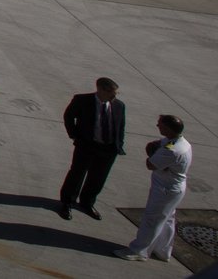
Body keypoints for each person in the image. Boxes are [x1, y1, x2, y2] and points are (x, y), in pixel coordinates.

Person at [116, 115, 193, 261]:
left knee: (152, 219)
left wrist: (153, 153)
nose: (157, 126)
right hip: (172, 188)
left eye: (160, 125)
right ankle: (163, 250)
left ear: (168, 128)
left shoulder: (172, 150)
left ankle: (139, 251)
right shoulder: (178, 142)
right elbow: (158, 144)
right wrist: (156, 149)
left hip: (165, 189)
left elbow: (150, 164)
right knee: (168, 218)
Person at [58, 77, 126, 221]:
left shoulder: (119, 105)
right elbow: (69, 116)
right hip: (87, 145)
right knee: (77, 174)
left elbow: (120, 127)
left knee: (98, 178)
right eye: (110, 92)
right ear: (100, 89)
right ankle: (67, 202)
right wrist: (75, 135)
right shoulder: (82, 100)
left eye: (115, 93)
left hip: (108, 149)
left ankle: (87, 203)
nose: (113, 96)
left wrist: (118, 144)